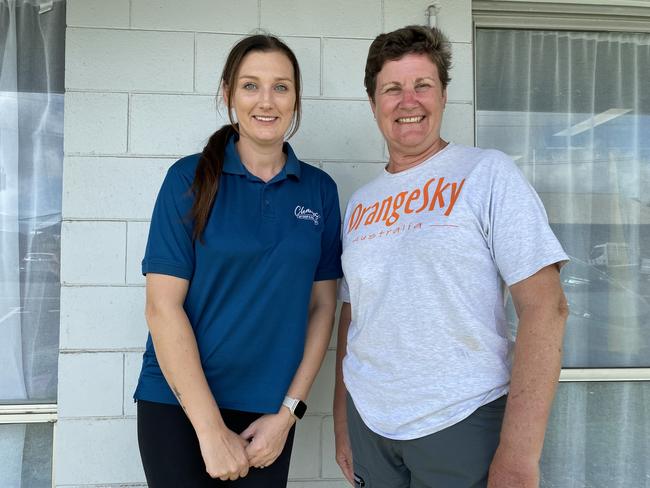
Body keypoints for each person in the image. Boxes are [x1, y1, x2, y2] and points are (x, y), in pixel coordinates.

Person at [333, 25, 569, 488]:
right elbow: (352, 314)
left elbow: (547, 307)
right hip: (371, 426)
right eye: (392, 89)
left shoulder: (487, 173)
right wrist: (343, 420)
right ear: (374, 103)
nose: (409, 101)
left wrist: (519, 457)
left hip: (462, 421)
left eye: (422, 85)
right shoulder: (360, 203)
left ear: (443, 95)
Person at [134, 34, 342, 487]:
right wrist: (209, 431)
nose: (266, 101)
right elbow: (161, 307)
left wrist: (288, 413)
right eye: (251, 85)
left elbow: (324, 307)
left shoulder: (319, 191)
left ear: (296, 98)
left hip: (267, 414)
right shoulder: (186, 179)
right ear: (227, 94)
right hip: (179, 406)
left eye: (281, 87)